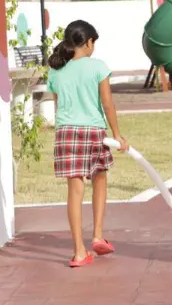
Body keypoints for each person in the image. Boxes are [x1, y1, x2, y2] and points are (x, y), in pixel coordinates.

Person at [47, 20, 128, 267]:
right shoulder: (98, 67)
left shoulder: (56, 70)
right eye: (94, 44)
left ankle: (79, 251)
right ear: (89, 42)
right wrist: (117, 134)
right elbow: (107, 103)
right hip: (93, 131)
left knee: (75, 190)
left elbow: (58, 102)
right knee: (100, 177)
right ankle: (97, 235)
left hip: (65, 133)